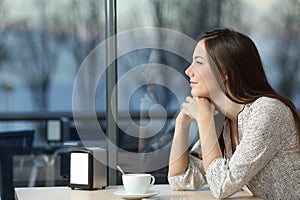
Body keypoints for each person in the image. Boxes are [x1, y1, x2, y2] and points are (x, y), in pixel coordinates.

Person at [168, 28, 300, 199]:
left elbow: (221, 186)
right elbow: (180, 180)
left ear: (224, 73)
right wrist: (182, 123)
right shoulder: (225, 121)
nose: (188, 71)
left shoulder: (268, 111)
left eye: (198, 62)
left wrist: (204, 119)